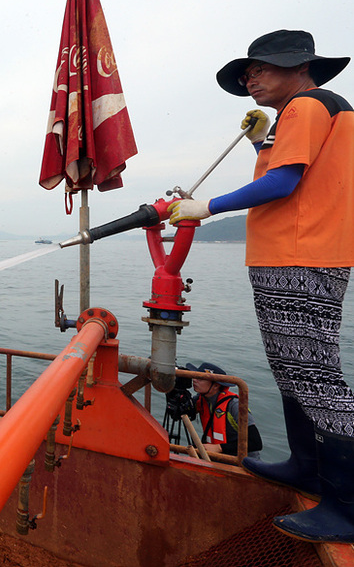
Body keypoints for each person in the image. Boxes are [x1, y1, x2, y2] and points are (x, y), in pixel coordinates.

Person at [169, 30, 354, 543]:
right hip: (297, 253)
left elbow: (283, 183)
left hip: (300, 256)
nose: (250, 79)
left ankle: (348, 507)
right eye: (247, 73)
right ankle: (306, 466)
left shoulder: (306, 106)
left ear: (299, 67)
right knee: (293, 368)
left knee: (316, 378)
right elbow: (292, 169)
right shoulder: (320, 111)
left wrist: (205, 206)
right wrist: (258, 141)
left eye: (260, 68)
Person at [186, 362, 262, 459]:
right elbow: (181, 412)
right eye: (195, 376)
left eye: (200, 378)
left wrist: (219, 448)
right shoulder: (201, 400)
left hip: (241, 463)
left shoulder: (234, 405)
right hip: (216, 459)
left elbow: (255, 442)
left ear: (216, 386)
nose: (194, 380)